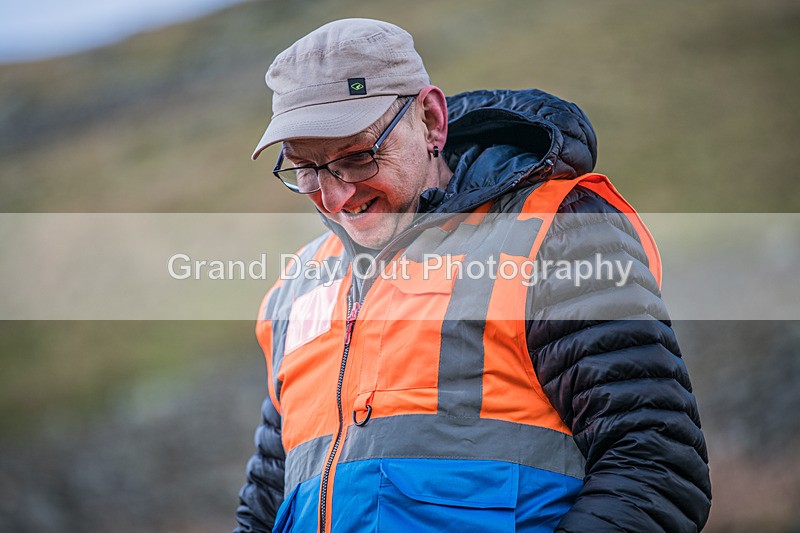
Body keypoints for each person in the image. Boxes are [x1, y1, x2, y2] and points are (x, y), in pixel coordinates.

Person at [234, 18, 711, 533]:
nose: (336, 197)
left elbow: (656, 468)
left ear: (431, 121)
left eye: (358, 157)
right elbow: (264, 509)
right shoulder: (298, 285)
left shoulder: (554, 231)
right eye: (306, 170)